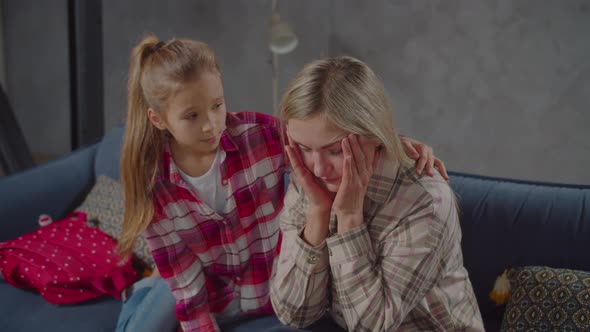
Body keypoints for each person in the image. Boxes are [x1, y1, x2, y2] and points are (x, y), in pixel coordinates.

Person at [117, 35, 448, 332]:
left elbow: (323, 140)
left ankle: (142, 290)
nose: (211, 125)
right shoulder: (154, 185)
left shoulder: (257, 136)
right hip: (206, 300)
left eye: (217, 105)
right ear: (158, 119)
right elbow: (185, 282)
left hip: (271, 299)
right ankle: (142, 290)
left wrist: (389, 143)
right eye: (192, 116)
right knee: (156, 309)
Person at [270, 56, 484, 331]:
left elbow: (372, 327)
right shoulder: (309, 178)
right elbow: (293, 313)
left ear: (373, 134)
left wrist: (348, 217)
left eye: (335, 150)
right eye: (304, 148)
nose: (319, 167)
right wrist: (318, 213)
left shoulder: (425, 202)